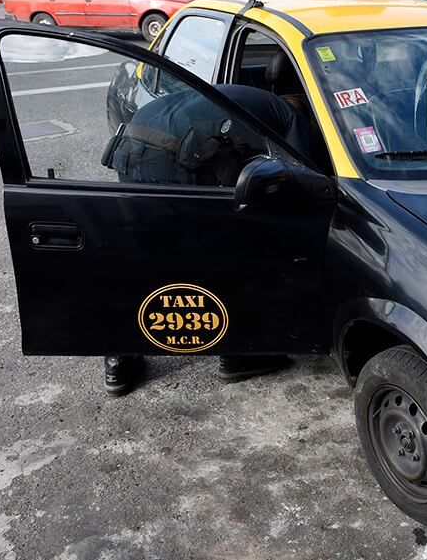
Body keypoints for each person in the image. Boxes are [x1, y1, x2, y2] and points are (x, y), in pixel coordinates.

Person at [101, 83, 306, 396]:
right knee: (216, 252)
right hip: (170, 156)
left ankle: (119, 359)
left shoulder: (245, 97)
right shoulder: (291, 116)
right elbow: (300, 176)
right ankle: (237, 355)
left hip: (130, 146)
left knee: (146, 251)